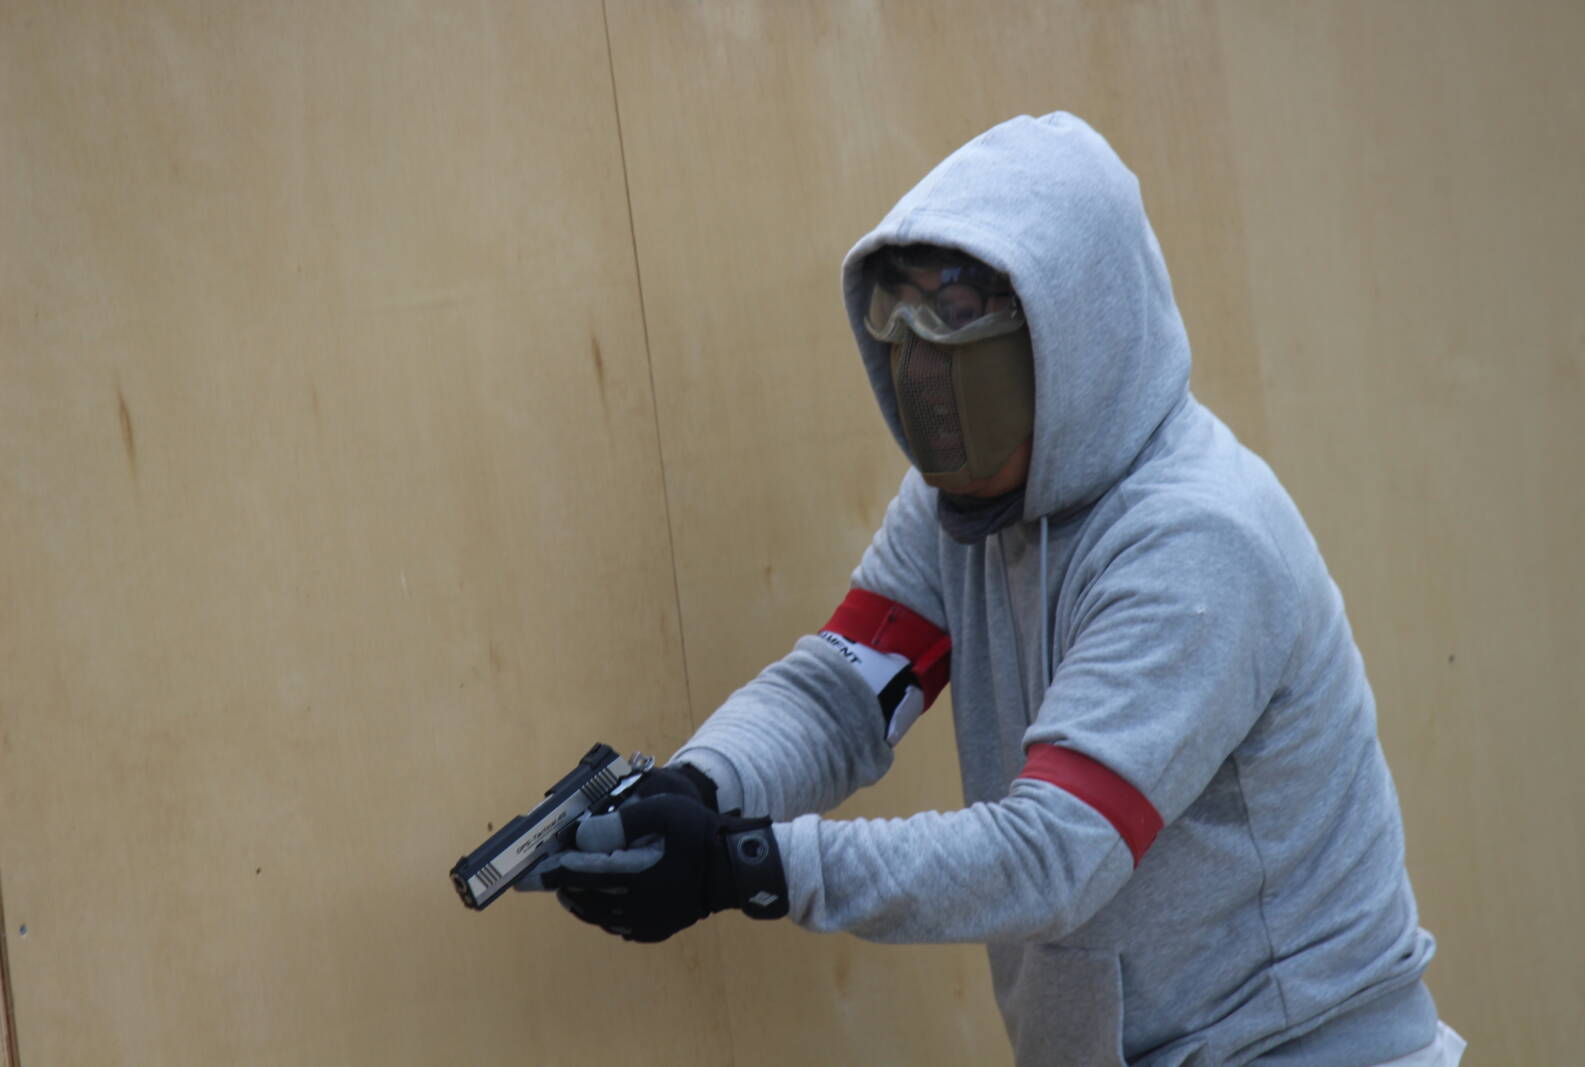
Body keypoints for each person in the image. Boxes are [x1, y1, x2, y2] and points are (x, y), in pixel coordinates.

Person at [521, 113, 1465, 1066]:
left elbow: (1050, 855)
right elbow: (844, 693)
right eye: (897, 312)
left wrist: (746, 865)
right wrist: (697, 787)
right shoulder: (963, 508)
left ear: (1073, 323)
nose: (918, 359)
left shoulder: (1199, 539)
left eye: (957, 311)